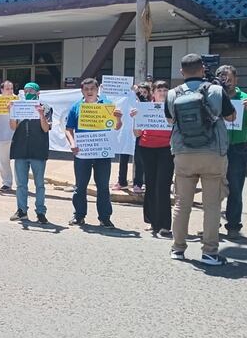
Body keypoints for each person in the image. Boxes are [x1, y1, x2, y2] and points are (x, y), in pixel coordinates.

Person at [165, 53, 236, 266]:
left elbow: (170, 120)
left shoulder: (172, 93)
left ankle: (177, 248)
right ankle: (209, 252)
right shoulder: (216, 90)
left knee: (181, 203)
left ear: (181, 72)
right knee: (211, 205)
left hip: (183, 153)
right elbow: (231, 116)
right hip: (213, 153)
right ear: (203, 69)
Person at [65, 77, 124, 228]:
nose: (89, 91)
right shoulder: (76, 107)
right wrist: (72, 144)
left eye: (92, 89)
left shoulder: (107, 105)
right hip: (83, 152)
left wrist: (118, 118)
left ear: (98, 90)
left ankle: (104, 218)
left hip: (102, 152)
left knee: (103, 186)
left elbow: (116, 127)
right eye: (86, 89)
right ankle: (79, 216)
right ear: (82, 91)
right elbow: (68, 129)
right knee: (80, 186)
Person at [216, 65, 247, 239]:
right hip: (216, 148)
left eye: (229, 79)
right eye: (223, 79)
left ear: (236, 80)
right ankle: (212, 224)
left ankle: (233, 225)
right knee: (213, 188)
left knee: (235, 188)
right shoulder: (215, 96)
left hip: (237, 149)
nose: (227, 82)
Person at [130, 81, 173, 237]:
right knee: (151, 183)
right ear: (153, 93)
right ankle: (152, 221)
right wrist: (135, 118)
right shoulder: (144, 107)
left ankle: (164, 225)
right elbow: (136, 134)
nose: (162, 92)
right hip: (146, 149)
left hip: (167, 149)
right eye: (159, 90)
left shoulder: (173, 107)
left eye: (165, 89)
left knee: (163, 185)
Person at [8, 82, 53, 223]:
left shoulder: (45, 107)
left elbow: (46, 129)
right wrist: (11, 112)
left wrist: (41, 115)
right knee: (21, 184)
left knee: (39, 184)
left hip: (38, 150)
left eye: (32, 90)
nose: (28, 92)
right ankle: (22, 211)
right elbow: (13, 127)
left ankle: (40, 212)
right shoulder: (19, 106)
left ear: (38, 93)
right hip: (21, 149)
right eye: (26, 90)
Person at [114, 82, 149, 192]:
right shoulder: (127, 99)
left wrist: (138, 93)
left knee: (139, 160)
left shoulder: (146, 103)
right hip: (126, 132)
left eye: (145, 92)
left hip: (139, 133)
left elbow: (143, 102)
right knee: (123, 158)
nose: (142, 94)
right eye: (141, 91)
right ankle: (121, 181)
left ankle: (138, 183)